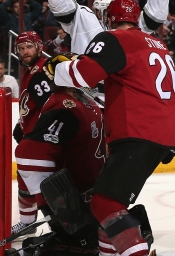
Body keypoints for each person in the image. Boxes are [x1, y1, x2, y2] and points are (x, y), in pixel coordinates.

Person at [44, 0, 175, 256]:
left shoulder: (114, 38)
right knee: (109, 203)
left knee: (104, 201)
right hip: (150, 127)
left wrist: (58, 68)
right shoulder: (156, 44)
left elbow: (84, 75)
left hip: (130, 127)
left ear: (109, 17)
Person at [13, 72, 109, 255]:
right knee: (79, 240)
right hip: (75, 196)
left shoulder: (88, 103)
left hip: (89, 191)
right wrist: (52, 201)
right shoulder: (66, 106)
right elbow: (29, 155)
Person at [12, 31, 54, 237]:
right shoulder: (30, 70)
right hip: (33, 136)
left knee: (45, 186)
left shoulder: (43, 69)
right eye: (21, 48)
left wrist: (38, 131)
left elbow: (52, 104)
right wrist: (23, 125)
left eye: (28, 46)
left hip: (45, 139)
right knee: (25, 179)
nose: (25, 51)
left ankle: (60, 225)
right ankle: (27, 223)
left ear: (38, 46)